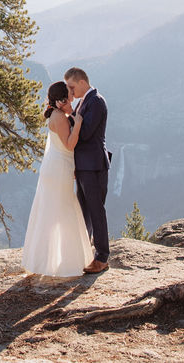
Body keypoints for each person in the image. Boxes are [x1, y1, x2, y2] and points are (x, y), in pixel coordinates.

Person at [21, 81, 93, 277]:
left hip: (56, 166)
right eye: (69, 93)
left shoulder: (58, 114)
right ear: (62, 98)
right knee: (64, 211)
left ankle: (45, 261)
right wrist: (77, 122)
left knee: (51, 211)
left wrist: (70, 113)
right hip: (60, 168)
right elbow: (70, 145)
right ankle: (67, 262)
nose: (73, 94)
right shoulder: (59, 117)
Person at [65, 67, 111, 274]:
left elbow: (84, 134)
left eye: (72, 87)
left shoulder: (97, 101)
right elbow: (72, 126)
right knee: (84, 210)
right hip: (83, 165)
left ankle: (102, 257)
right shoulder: (83, 102)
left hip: (94, 165)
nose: (71, 92)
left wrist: (74, 122)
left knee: (96, 209)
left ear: (82, 82)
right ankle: (85, 252)